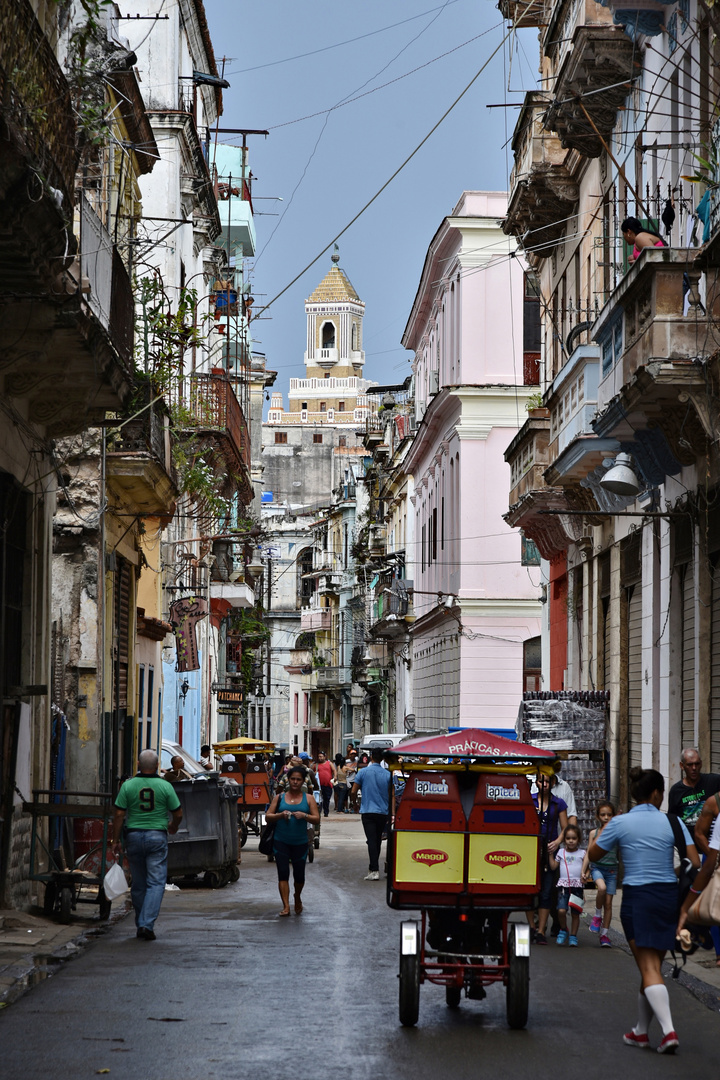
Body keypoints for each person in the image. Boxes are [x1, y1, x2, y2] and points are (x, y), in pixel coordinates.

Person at [588, 767, 700, 1054]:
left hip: (638, 898)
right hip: (667, 898)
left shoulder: (620, 822)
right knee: (652, 969)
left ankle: (668, 1031)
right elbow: (694, 862)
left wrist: (609, 833)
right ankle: (640, 1031)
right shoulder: (674, 822)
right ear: (655, 793)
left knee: (649, 968)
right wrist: (671, 870)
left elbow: (594, 855)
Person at [112, 749, 183, 941]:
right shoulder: (165, 786)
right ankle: (146, 924)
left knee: (139, 882)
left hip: (133, 836)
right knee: (156, 883)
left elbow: (119, 814)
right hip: (156, 837)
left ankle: (140, 922)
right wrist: (173, 826)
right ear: (158, 766)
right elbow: (178, 813)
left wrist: (116, 840)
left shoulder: (128, 786)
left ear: (138, 765)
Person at [265, 765, 319, 916]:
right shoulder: (280, 797)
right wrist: (280, 815)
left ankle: (297, 896)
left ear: (303, 781)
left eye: (298, 779)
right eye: (293, 779)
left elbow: (316, 819)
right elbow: (268, 816)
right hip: (281, 841)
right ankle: (286, 905)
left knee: (299, 876)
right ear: (288, 780)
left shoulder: (309, 799)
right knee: (283, 873)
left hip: (300, 842)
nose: (295, 782)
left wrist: (305, 816)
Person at [530, 772, 568, 945]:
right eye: (540, 781)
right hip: (530, 850)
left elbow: (565, 828)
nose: (544, 784)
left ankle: (541, 931)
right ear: (536, 782)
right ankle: (532, 926)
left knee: (546, 891)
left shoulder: (558, 803)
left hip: (550, 852)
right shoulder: (529, 800)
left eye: (547, 781)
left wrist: (557, 842)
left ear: (552, 783)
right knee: (530, 891)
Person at [350, 748, 392, 880]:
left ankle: (374, 869)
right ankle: (372, 867)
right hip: (382, 812)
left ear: (371, 757)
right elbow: (392, 794)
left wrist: (355, 803)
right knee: (377, 839)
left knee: (372, 840)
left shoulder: (363, 772)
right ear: (382, 759)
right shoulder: (387, 774)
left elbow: (353, 791)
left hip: (368, 811)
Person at [582, 800, 617, 948]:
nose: (606, 817)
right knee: (601, 889)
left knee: (608, 904)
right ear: (598, 816)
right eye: (603, 815)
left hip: (612, 870)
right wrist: (583, 870)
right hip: (597, 868)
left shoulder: (617, 833)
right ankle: (597, 915)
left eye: (609, 815)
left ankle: (604, 934)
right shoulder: (593, 833)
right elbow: (589, 853)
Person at [691, 790, 720, 966]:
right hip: (713, 859)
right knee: (715, 906)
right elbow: (700, 833)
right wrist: (714, 858)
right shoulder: (713, 802)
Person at [667, 747, 720, 840]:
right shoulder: (676, 791)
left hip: (711, 842)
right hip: (688, 844)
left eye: (697, 764)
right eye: (690, 765)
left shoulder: (713, 782)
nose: (694, 768)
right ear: (682, 765)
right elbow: (673, 821)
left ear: (701, 763)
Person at [549, 824, 586, 947]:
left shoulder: (582, 853)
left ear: (578, 840)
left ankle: (573, 936)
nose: (571, 841)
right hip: (563, 886)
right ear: (564, 839)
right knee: (561, 910)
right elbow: (554, 866)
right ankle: (564, 929)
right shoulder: (561, 852)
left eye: (574, 838)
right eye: (568, 838)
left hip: (577, 887)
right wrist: (550, 854)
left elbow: (587, 869)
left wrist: (585, 878)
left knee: (576, 913)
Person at [315, 751, 336, 817]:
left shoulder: (329, 763)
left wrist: (335, 777)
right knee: (319, 799)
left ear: (324, 757)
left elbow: (334, 770)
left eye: (321, 756)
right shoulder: (316, 765)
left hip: (328, 784)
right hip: (318, 785)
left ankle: (326, 812)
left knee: (327, 799)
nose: (320, 758)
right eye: (319, 757)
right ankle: (319, 811)